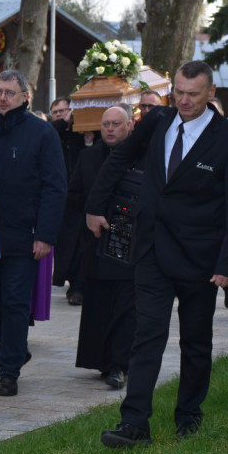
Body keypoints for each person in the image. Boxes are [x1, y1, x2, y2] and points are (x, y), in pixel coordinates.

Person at [86, 60, 228, 447]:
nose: (184, 100)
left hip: (201, 259)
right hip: (152, 251)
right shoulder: (158, 121)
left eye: (193, 94)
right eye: (178, 91)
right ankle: (134, 423)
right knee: (147, 335)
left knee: (195, 341)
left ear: (211, 93)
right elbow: (120, 158)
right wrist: (95, 206)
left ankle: (189, 416)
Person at [0, 71, 66, 398]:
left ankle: (9, 369)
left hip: (24, 236)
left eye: (10, 92)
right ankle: (16, 347)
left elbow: (54, 187)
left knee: (14, 302)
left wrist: (45, 234)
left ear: (26, 95)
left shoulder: (42, 134)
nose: (4, 98)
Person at [68, 105, 136, 390]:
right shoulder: (87, 157)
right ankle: (101, 360)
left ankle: (120, 363)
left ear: (130, 126)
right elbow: (73, 196)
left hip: (130, 243)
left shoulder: (142, 157)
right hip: (95, 244)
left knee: (125, 305)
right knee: (99, 304)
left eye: (116, 124)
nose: (110, 129)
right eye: (106, 124)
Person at [50, 96, 86, 306]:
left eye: (65, 110)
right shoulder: (53, 133)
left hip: (82, 197)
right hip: (62, 198)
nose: (62, 114)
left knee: (82, 244)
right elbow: (51, 129)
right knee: (66, 245)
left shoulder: (80, 133)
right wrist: (63, 121)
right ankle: (73, 282)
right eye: (57, 112)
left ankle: (79, 285)